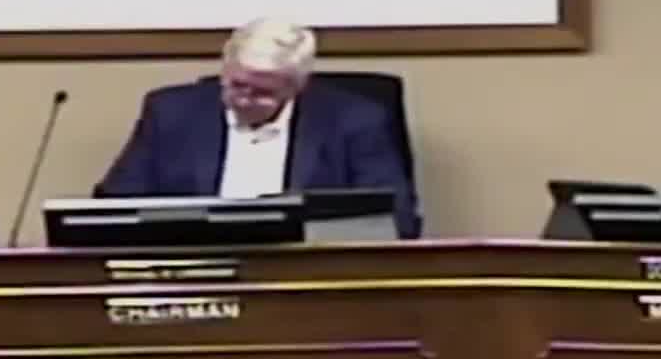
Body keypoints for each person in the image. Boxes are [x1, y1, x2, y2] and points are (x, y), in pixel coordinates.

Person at [97, 18, 420, 238]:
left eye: (263, 93)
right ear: (225, 69)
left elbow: (397, 219)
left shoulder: (355, 120)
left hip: (303, 273)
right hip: (196, 270)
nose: (244, 100)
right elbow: (114, 207)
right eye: (236, 85)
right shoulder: (171, 113)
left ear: (297, 87)